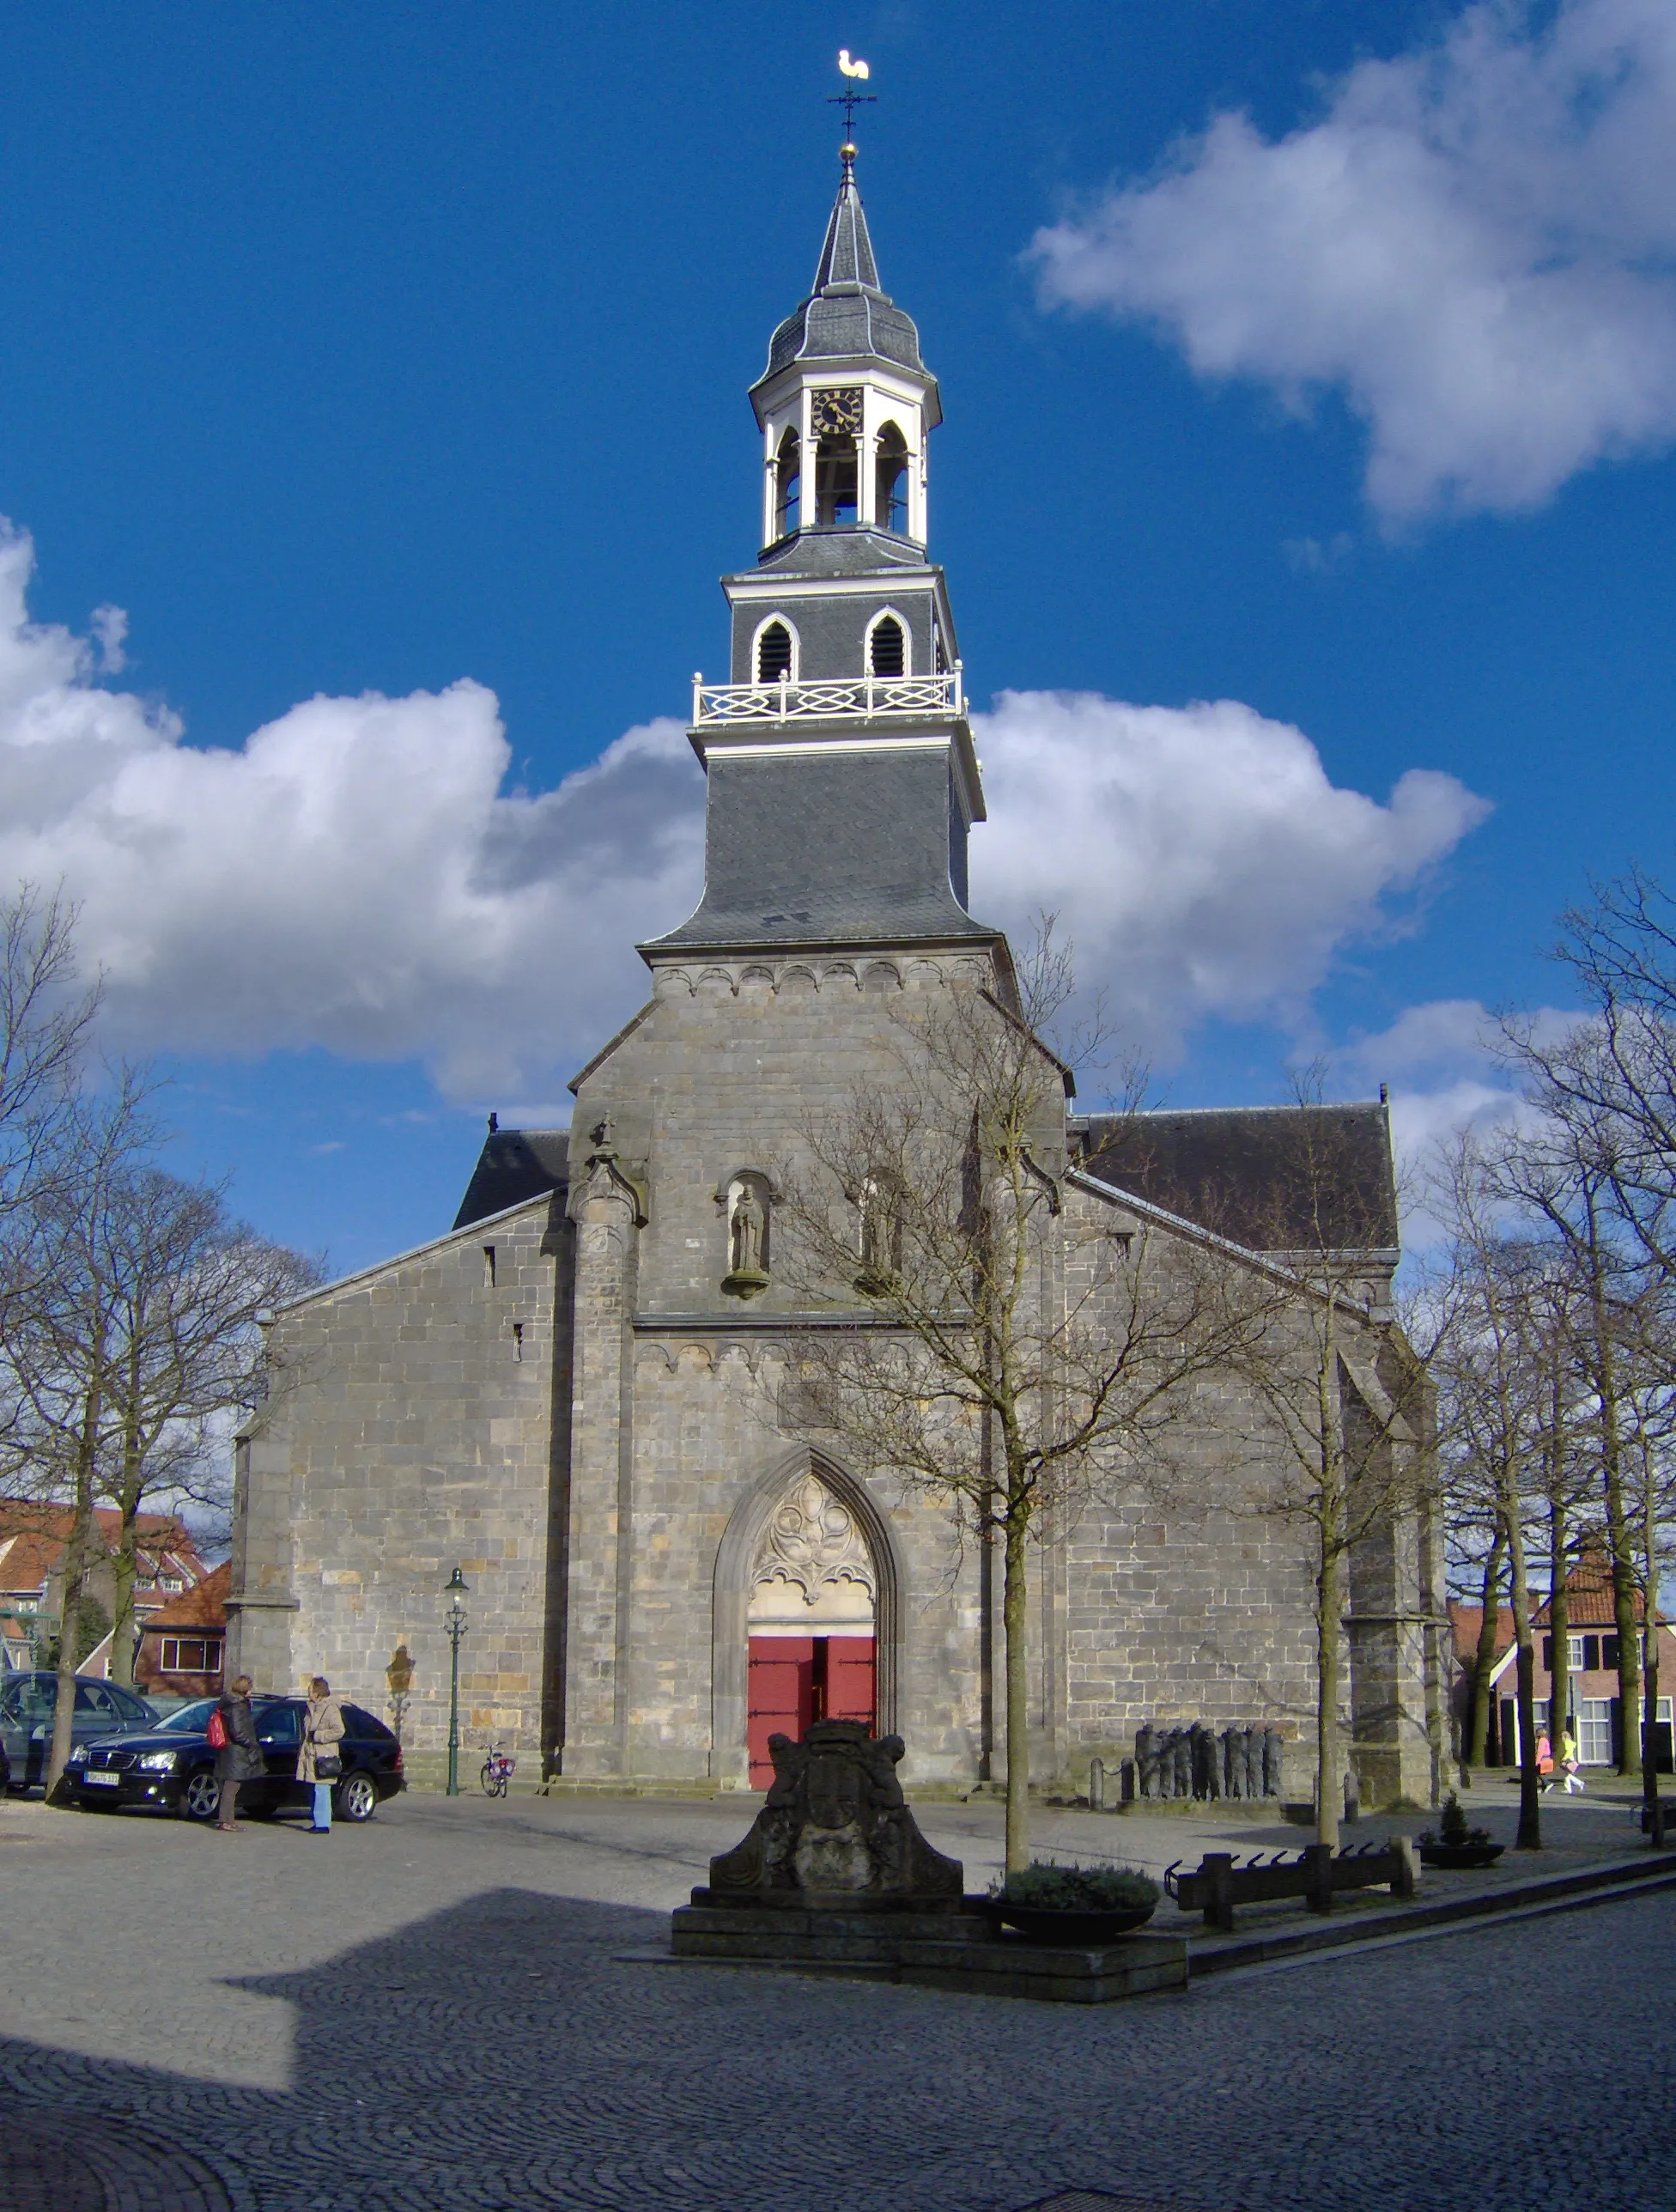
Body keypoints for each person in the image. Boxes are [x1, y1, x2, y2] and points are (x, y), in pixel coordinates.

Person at [214, 1674, 264, 1832]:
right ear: (245, 1689)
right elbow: (238, 1732)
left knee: (229, 1786)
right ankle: (226, 1821)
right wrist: (252, 1744)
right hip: (235, 1752)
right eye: (250, 1687)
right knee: (231, 1787)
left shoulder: (230, 1703)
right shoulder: (237, 1706)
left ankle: (227, 1820)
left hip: (229, 1750)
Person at [297, 1674, 345, 1834]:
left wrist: (319, 1736)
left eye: (310, 1689)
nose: (308, 1692)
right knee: (313, 1789)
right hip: (310, 1754)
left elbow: (339, 1730)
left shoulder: (330, 1708)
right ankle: (317, 1820)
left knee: (322, 1789)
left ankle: (323, 1824)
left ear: (318, 1691)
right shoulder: (311, 1707)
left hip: (324, 1756)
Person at [1560, 1726, 1587, 1793]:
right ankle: (1578, 1784)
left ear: (1565, 1737)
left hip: (1568, 1759)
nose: (1561, 1739)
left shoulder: (1567, 1743)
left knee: (1567, 1775)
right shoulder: (1570, 1742)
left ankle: (1571, 1788)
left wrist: (1564, 1759)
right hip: (1571, 1759)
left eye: (1561, 1737)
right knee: (1568, 1775)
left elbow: (1569, 1751)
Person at [1535, 1729, 1555, 1793]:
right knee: (1542, 1773)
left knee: (1538, 1773)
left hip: (1543, 1759)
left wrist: (1537, 1761)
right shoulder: (1545, 1740)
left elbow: (1540, 1752)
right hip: (1547, 1758)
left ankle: (1548, 1783)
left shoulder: (1542, 1740)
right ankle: (1544, 1788)